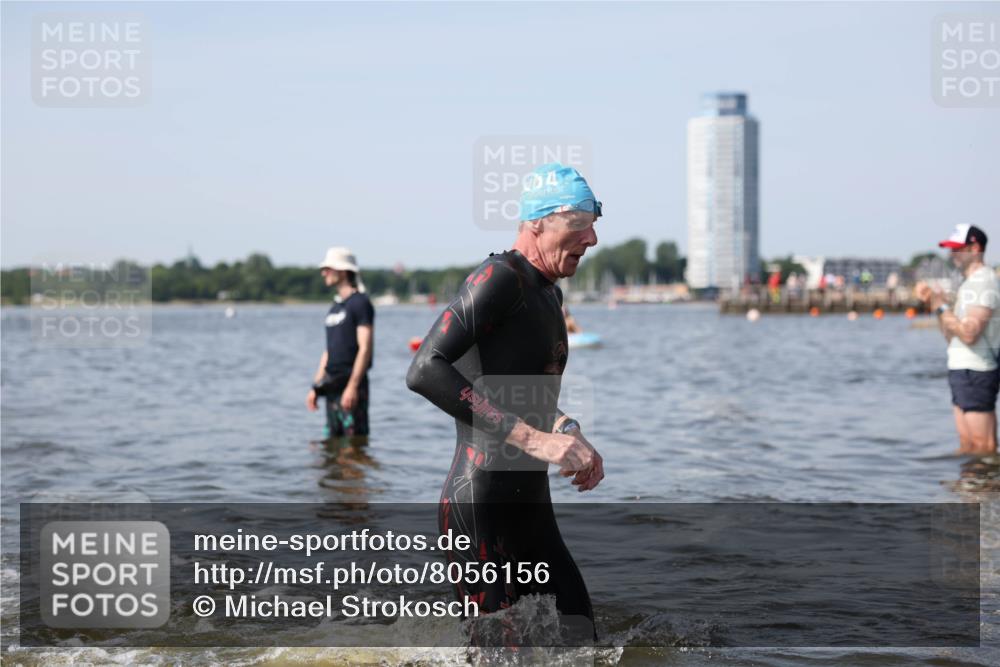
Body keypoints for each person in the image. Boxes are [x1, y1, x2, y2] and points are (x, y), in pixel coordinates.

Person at [406, 163, 605, 645]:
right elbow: (425, 369)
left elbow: (517, 388)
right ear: (537, 222)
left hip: (531, 507)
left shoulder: (547, 294)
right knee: (497, 657)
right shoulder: (499, 277)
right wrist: (536, 440)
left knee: (585, 645)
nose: (592, 239)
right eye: (579, 224)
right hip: (481, 506)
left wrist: (567, 428)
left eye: (594, 223)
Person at [916, 224, 1000, 455]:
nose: (952, 254)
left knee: (983, 448)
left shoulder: (984, 281)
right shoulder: (969, 283)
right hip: (962, 368)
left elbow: (970, 334)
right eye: (951, 249)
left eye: (957, 248)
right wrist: (937, 305)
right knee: (967, 447)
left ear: (975, 248)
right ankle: (970, 491)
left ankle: (985, 490)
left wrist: (940, 304)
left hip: (977, 369)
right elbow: (952, 336)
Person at [306, 247, 374, 441]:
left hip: (351, 384)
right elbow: (328, 351)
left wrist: (352, 387)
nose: (323, 273)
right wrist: (315, 386)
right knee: (332, 443)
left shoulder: (360, 303)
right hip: (331, 385)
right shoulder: (334, 308)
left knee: (353, 445)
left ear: (343, 271)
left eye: (328, 268)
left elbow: (365, 348)